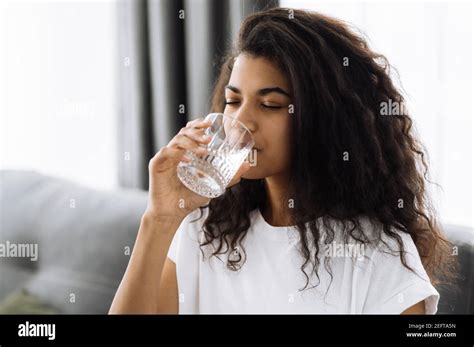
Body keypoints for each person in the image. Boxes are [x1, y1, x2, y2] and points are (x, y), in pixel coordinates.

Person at [109, 7, 456, 314]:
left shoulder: (380, 256)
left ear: (326, 118)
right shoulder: (207, 226)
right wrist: (159, 218)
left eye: (271, 104)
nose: (242, 121)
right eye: (233, 101)